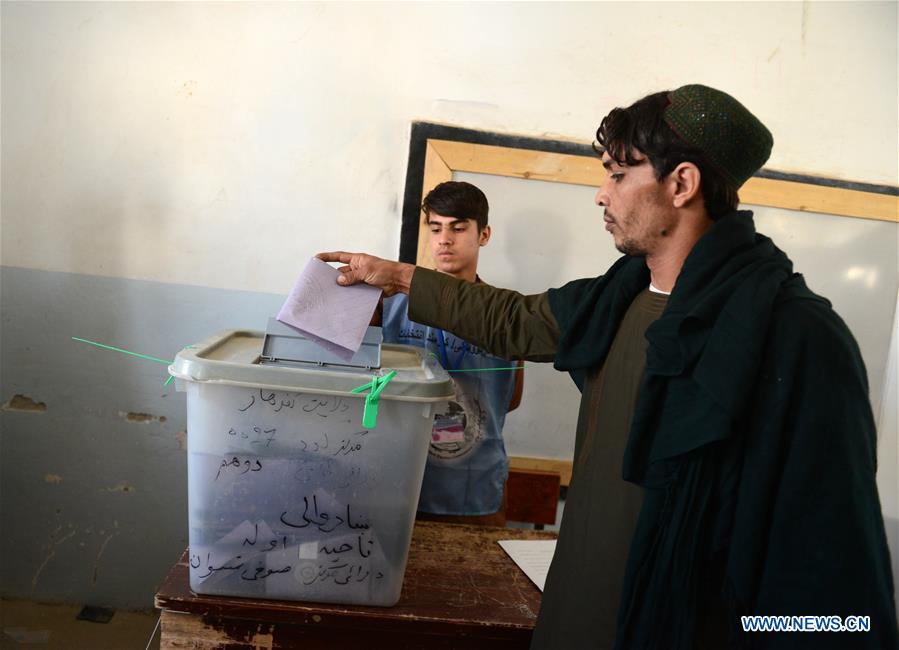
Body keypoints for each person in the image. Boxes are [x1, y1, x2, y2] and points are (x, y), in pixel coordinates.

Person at [319, 85, 897, 649]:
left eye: (619, 175)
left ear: (682, 183)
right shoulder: (616, 299)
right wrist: (392, 276)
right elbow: (512, 318)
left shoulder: (798, 337)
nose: (601, 194)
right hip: (576, 615)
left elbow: (837, 595)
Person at [378, 180, 523, 526]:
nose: (444, 239)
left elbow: (511, 398)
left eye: (458, 228)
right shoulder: (391, 304)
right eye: (436, 227)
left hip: (474, 487)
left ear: (483, 235)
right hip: (399, 478)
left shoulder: (505, 311)